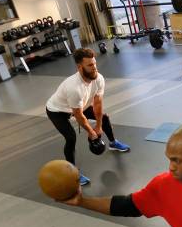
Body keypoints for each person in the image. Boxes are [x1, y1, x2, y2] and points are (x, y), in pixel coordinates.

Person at [46, 48, 130, 186]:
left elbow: (97, 103)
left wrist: (98, 126)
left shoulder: (98, 78)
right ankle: (72, 173)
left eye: (95, 63)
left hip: (81, 105)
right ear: (80, 67)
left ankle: (113, 142)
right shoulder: (74, 88)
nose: (94, 68)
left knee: (105, 118)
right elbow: (78, 115)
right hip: (58, 110)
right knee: (71, 137)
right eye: (90, 65)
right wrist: (91, 133)